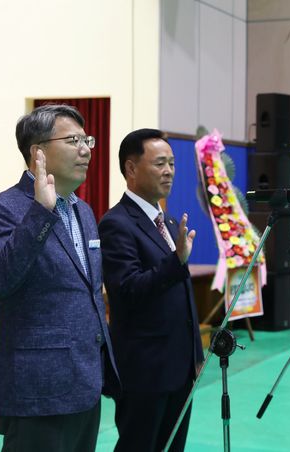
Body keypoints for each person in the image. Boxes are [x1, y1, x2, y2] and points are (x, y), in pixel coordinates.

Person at [0, 105, 118, 452]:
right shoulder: (5, 208)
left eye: (87, 140)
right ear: (38, 151)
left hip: (85, 383)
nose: (86, 149)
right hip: (39, 389)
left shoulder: (83, 210)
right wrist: (41, 212)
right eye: (73, 140)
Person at [99, 128, 204, 452]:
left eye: (172, 163)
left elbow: (182, 295)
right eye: (160, 163)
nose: (169, 171)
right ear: (131, 169)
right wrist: (176, 262)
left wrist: (196, 355)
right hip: (145, 370)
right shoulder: (117, 223)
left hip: (179, 368)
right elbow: (128, 289)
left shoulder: (169, 223)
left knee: (173, 446)